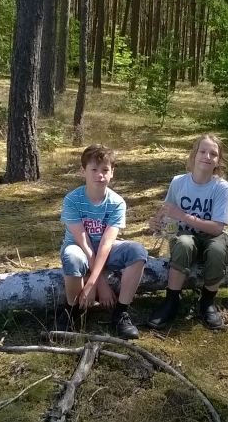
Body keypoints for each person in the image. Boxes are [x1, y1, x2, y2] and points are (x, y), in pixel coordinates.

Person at [58, 144, 148, 339]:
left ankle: (120, 312)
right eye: (94, 170)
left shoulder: (117, 203)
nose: (100, 175)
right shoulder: (72, 200)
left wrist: (93, 282)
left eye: (105, 170)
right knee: (72, 257)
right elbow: (84, 243)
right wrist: (98, 284)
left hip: (105, 250)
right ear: (83, 171)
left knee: (137, 252)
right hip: (80, 248)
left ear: (112, 173)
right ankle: (72, 311)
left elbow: (106, 244)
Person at [147, 134, 228, 330]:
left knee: (218, 251)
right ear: (194, 155)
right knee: (183, 243)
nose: (207, 157)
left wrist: (184, 216)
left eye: (213, 154)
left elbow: (217, 227)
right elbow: (167, 210)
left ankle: (207, 302)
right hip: (185, 234)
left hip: (212, 236)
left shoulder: (220, 187)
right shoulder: (178, 182)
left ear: (218, 161)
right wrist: (156, 222)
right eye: (203, 151)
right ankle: (171, 301)